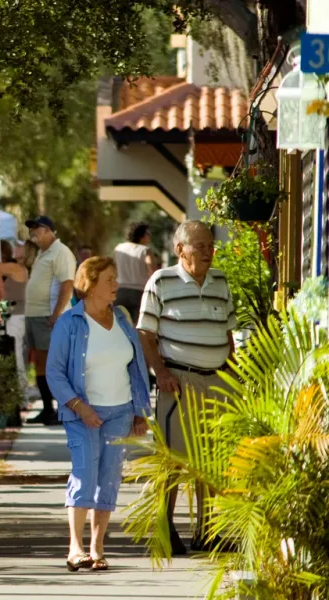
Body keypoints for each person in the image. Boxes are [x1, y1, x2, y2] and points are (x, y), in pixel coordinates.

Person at [137, 220, 236, 555]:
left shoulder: (220, 281)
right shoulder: (161, 280)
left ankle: (206, 531)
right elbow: (146, 334)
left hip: (216, 379)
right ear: (180, 249)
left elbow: (228, 332)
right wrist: (161, 372)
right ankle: (165, 529)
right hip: (177, 380)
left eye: (211, 245)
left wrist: (231, 371)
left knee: (210, 460)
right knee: (173, 459)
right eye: (201, 246)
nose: (209, 252)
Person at [46, 257, 151, 571]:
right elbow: (54, 373)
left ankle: (97, 547)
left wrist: (140, 412)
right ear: (90, 284)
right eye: (110, 279)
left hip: (120, 412)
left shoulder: (121, 318)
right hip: (82, 414)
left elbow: (137, 367)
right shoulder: (70, 323)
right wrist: (79, 406)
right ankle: (75, 547)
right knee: (84, 474)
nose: (116, 285)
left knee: (108, 480)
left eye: (115, 279)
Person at [23, 216, 77, 425]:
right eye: (31, 228)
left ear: (48, 230)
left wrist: (56, 314)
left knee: (50, 363)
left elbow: (67, 284)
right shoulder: (43, 253)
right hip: (35, 315)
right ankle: (48, 409)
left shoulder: (60, 252)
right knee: (39, 364)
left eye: (36, 228)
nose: (32, 232)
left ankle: (58, 410)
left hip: (47, 316)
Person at [0, 240, 29, 399]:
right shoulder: (10, 270)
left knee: (17, 355)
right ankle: (18, 392)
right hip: (11, 316)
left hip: (17, 316)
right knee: (14, 354)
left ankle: (21, 393)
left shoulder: (17, 269)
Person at [114, 222, 157, 324]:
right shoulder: (145, 250)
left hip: (120, 291)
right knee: (139, 325)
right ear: (141, 235)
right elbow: (152, 271)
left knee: (120, 324)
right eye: (148, 234)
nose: (149, 237)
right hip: (139, 293)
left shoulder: (118, 248)